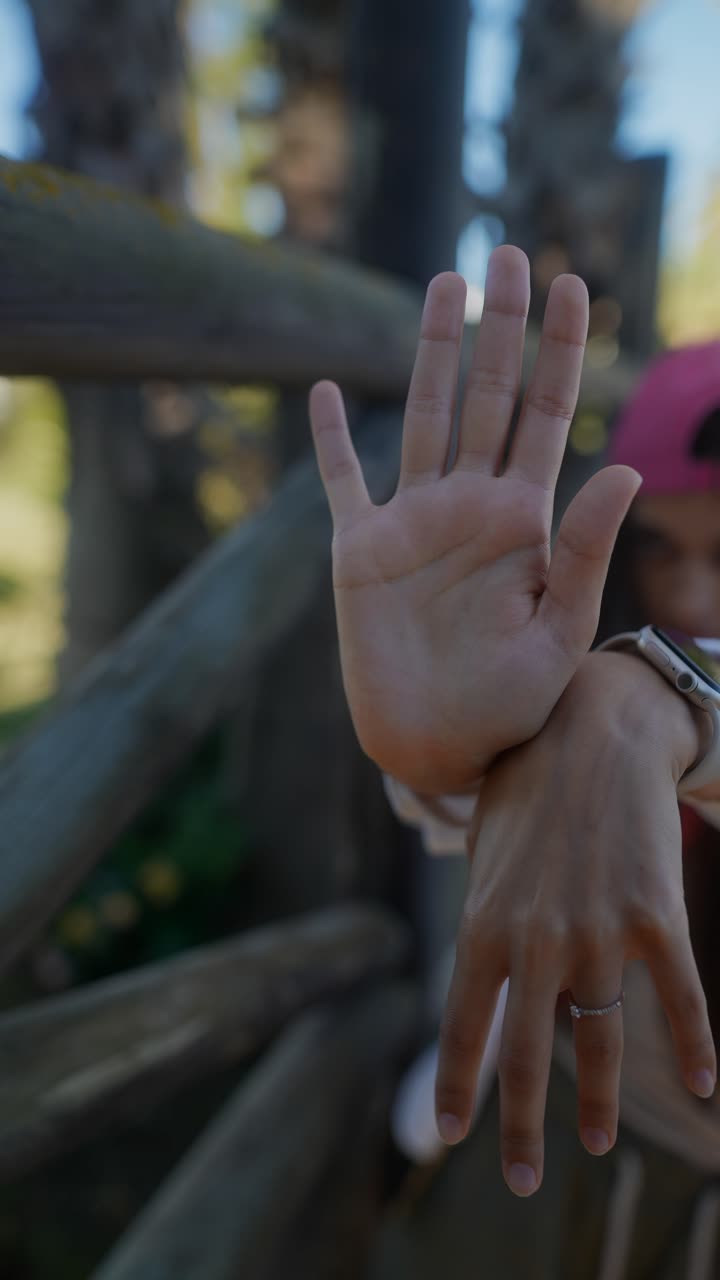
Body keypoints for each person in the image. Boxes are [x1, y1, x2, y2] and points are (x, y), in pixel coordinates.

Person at [309, 249, 720, 1278]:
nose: (695, 594)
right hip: (536, 1167)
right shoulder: (578, 666)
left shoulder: (617, 687)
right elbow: (471, 810)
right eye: (661, 547)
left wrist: (650, 703)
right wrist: (457, 758)